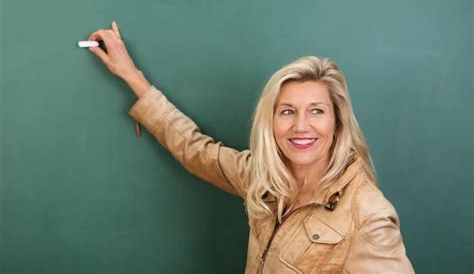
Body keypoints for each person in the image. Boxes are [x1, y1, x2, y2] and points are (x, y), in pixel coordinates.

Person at [88, 22, 414, 273]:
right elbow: (194, 149)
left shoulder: (368, 218)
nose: (301, 126)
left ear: (337, 121)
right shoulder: (263, 178)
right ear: (270, 122)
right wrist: (131, 75)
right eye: (287, 111)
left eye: (317, 111)